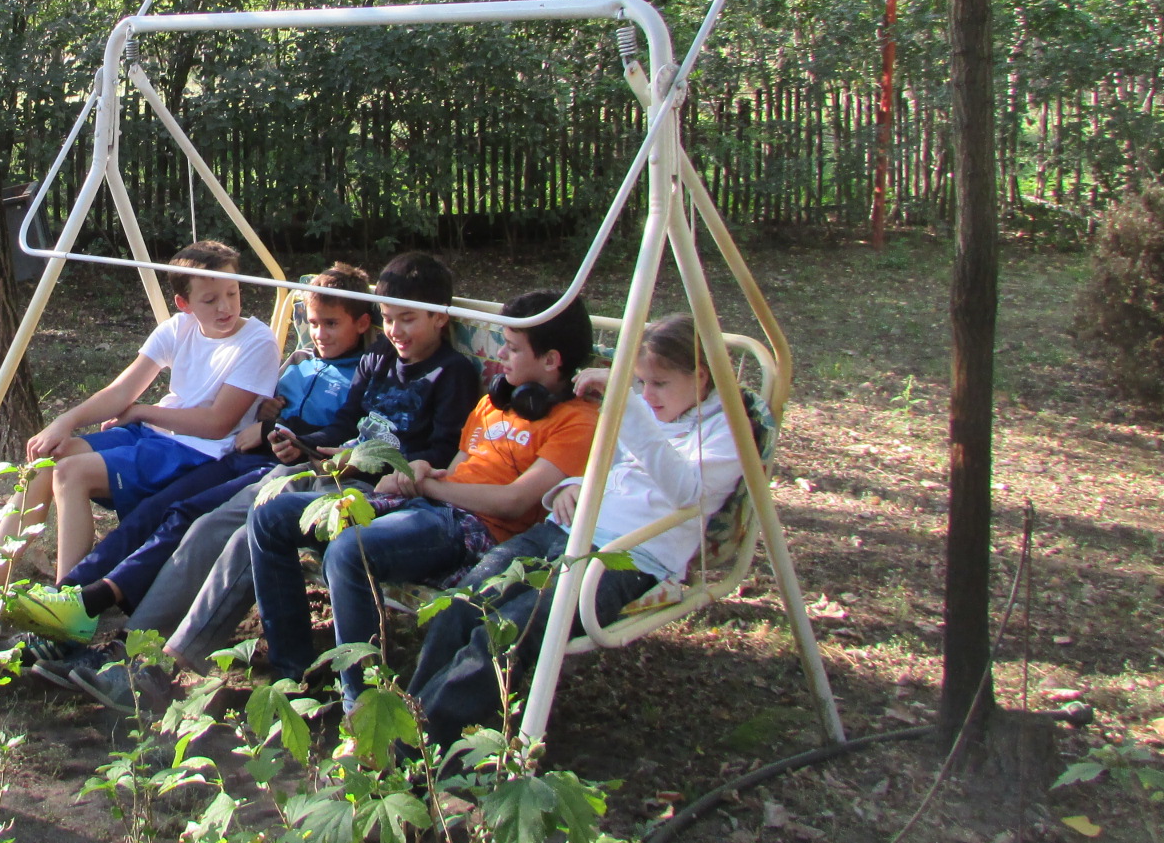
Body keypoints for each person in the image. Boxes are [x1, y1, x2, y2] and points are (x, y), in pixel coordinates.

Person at [72, 252, 482, 711]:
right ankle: (134, 646)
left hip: (376, 490)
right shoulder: (379, 358)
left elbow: (441, 452)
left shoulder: (453, 373)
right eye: (388, 319)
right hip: (324, 468)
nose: (396, 331)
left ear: (440, 318)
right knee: (211, 523)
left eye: (408, 320)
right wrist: (298, 442)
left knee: (254, 527)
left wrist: (362, 462)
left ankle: (153, 664)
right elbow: (344, 424)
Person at [0, 240, 281, 643]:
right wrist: (65, 421)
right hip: (156, 437)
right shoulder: (179, 328)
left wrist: (144, 411)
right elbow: (122, 391)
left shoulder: (256, 342)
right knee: (47, 462)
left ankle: (66, 611)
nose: (225, 307)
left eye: (232, 293)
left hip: (197, 452)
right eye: (210, 300)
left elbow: (218, 424)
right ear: (184, 304)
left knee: (72, 473)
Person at [11, 265, 376, 677]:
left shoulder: (364, 371)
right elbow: (269, 399)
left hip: (284, 467)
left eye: (331, 324)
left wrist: (276, 427)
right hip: (246, 456)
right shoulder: (300, 362)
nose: (319, 333)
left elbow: (345, 428)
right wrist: (270, 411)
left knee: (193, 521)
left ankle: (110, 623)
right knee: (160, 511)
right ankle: (69, 597)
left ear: (362, 324)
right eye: (313, 323)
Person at [248, 286, 597, 712]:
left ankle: (362, 707)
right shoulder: (494, 403)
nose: (501, 357)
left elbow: (514, 502)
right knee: (270, 515)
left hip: (478, 529)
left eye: (512, 348)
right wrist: (420, 471)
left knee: (350, 550)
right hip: (430, 508)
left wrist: (426, 485)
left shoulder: (578, 422)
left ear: (552, 360)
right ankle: (294, 671)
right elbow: (458, 467)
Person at [408, 313, 745, 750]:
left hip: (625, 556)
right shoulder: (650, 408)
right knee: (462, 606)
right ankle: (410, 726)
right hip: (565, 528)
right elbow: (613, 467)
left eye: (659, 384)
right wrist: (571, 485)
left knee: (507, 632)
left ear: (699, 377)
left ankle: (418, 751)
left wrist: (629, 406)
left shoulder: (725, 431)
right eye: (641, 383)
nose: (648, 395)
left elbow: (686, 493)